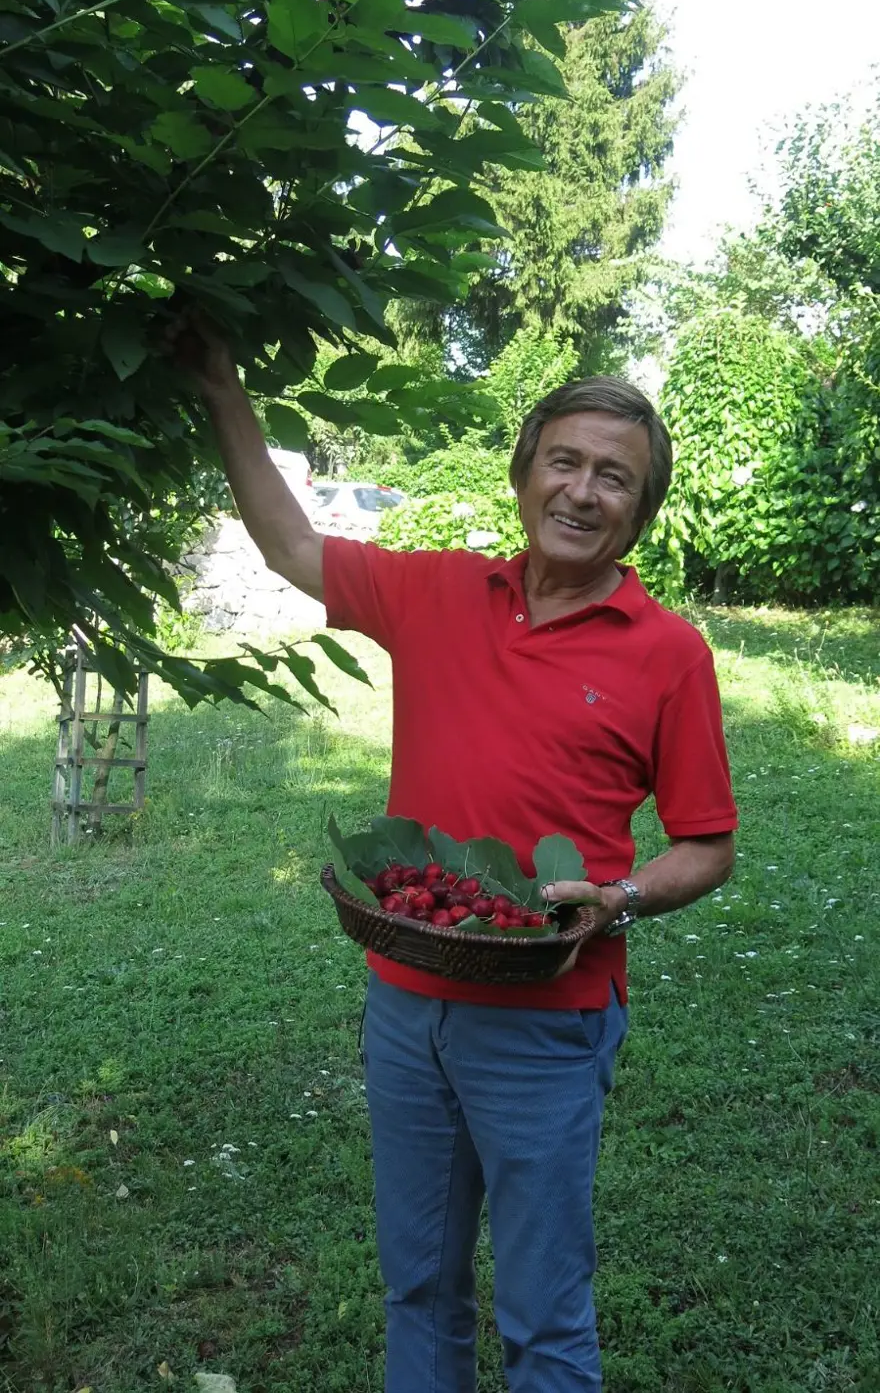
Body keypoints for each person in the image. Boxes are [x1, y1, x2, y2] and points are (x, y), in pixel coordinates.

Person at [184, 322, 738, 1393]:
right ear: (525, 474)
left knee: (543, 1316)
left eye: (613, 479)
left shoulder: (668, 653)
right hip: (404, 1002)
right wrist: (220, 385)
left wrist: (617, 898)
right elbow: (292, 550)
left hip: (548, 1021)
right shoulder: (439, 593)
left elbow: (707, 846)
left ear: (640, 511)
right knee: (417, 1290)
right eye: (564, 462)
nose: (582, 493)